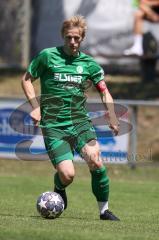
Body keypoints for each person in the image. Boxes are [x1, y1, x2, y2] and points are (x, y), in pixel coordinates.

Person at [21, 15, 120, 221]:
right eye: (68, 38)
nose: (72, 42)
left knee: (96, 161)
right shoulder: (47, 56)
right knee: (68, 175)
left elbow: (103, 91)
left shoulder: (89, 64)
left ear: (82, 38)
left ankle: (104, 211)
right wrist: (35, 107)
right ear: (62, 37)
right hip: (54, 125)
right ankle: (59, 186)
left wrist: (111, 115)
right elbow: (27, 80)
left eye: (76, 38)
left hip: (80, 123)